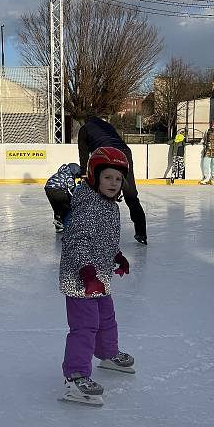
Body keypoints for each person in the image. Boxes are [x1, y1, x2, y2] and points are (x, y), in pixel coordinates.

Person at [59, 147, 135, 406]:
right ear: (94, 176)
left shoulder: (110, 207)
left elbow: (106, 239)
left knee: (107, 318)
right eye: (107, 177)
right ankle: (75, 376)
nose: (113, 183)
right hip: (80, 279)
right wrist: (87, 273)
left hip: (99, 277)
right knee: (84, 327)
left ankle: (107, 353)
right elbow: (76, 242)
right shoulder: (88, 207)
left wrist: (117, 256)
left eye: (117, 179)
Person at [78, 116, 147, 244]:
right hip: (124, 154)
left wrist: (84, 174)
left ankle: (98, 233)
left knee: (100, 196)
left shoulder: (84, 129)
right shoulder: (108, 126)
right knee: (131, 196)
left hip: (105, 155)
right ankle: (141, 233)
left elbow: (83, 153)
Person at [44, 163, 81, 233]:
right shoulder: (68, 175)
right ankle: (68, 225)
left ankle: (58, 226)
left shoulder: (61, 173)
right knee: (69, 206)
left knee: (57, 208)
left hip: (48, 189)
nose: (75, 177)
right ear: (75, 171)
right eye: (76, 176)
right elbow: (72, 189)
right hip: (58, 189)